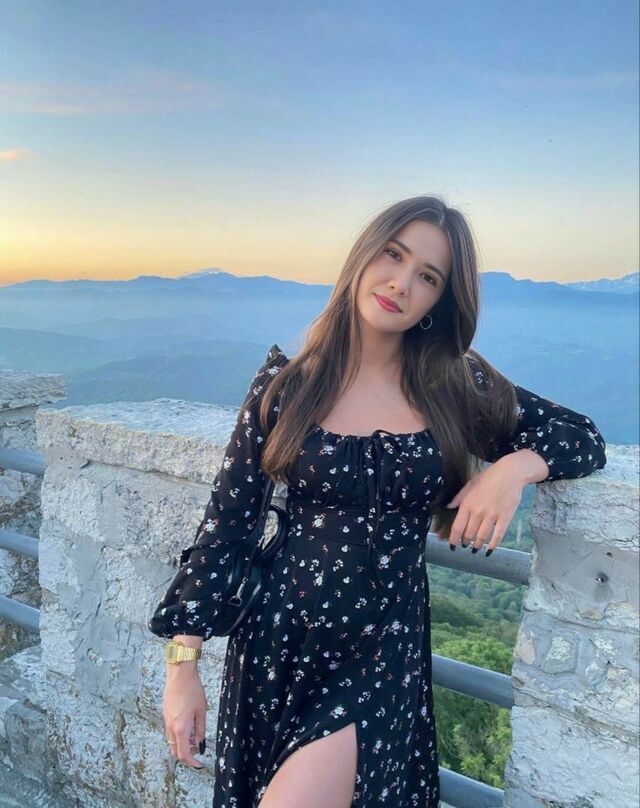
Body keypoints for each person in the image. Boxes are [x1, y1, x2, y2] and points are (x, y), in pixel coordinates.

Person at [148, 195, 607, 808]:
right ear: (364, 255)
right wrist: (181, 669)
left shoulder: (452, 384)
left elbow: (581, 436)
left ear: (440, 301)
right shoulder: (287, 385)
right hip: (275, 646)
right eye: (394, 255)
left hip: (380, 655)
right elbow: (225, 529)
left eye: (428, 277)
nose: (401, 283)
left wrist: (513, 469)